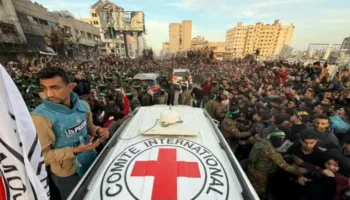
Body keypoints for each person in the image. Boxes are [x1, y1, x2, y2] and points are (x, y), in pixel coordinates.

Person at [31, 67, 109, 199]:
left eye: (55, 87)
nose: (49, 94)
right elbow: (44, 155)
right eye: (44, 88)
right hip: (68, 175)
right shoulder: (40, 117)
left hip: (90, 161)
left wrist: (98, 131)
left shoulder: (83, 105)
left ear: (70, 86)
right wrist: (73, 151)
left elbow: (89, 127)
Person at [247, 130, 307, 199]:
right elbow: (286, 167)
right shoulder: (271, 152)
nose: (281, 141)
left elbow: (253, 142)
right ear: (273, 138)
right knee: (260, 192)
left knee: (251, 185)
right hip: (261, 173)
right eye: (280, 139)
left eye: (283, 139)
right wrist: (299, 170)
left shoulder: (262, 141)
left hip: (251, 167)